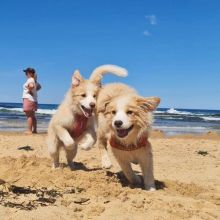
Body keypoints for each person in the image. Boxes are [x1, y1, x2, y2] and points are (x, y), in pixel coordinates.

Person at [22, 67, 41, 134]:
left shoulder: (30, 79)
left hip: (29, 99)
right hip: (33, 99)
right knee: (32, 115)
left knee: (29, 115)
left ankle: (29, 130)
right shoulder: (34, 80)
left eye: (26, 73)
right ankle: (34, 130)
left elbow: (31, 86)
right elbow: (39, 87)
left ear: (29, 73)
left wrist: (29, 91)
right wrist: (33, 92)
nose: (25, 74)